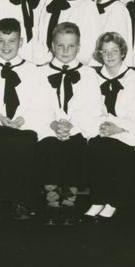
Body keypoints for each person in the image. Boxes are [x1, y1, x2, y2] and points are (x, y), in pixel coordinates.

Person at [0, 18, 46, 222]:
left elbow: (40, 102)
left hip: (24, 122)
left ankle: (21, 201)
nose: (6, 46)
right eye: (1, 41)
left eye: (11, 41)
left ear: (21, 42)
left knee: (25, 142)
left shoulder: (33, 70)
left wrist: (24, 118)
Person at [37, 22, 102, 225]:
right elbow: (37, 105)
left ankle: (69, 201)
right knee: (50, 146)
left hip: (77, 128)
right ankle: (52, 202)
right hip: (49, 128)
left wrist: (71, 126)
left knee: (75, 145)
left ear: (79, 47)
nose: (65, 51)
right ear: (52, 46)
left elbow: (92, 107)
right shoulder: (40, 73)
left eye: (71, 46)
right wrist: (54, 125)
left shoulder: (89, 74)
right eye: (60, 46)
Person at [84, 32, 135, 220]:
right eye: (105, 52)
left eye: (114, 51)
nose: (110, 56)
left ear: (123, 53)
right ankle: (98, 200)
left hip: (126, 132)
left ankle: (113, 201)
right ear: (99, 54)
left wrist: (118, 128)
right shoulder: (93, 77)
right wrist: (102, 127)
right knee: (98, 147)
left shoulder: (134, 79)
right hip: (100, 128)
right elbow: (89, 108)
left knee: (117, 149)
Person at [42, 0, 100, 66]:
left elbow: (90, 44)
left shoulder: (87, 5)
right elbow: (41, 37)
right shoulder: (50, 2)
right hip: (48, 64)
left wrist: (70, 65)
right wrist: (46, 62)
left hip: (73, 65)